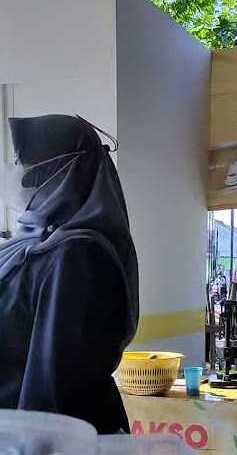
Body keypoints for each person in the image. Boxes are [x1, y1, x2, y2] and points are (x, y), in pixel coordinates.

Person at [0, 114, 139, 434]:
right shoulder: (32, 244)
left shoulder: (78, 258)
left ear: (60, 173)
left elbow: (51, 392)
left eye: (23, 162)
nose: (14, 171)